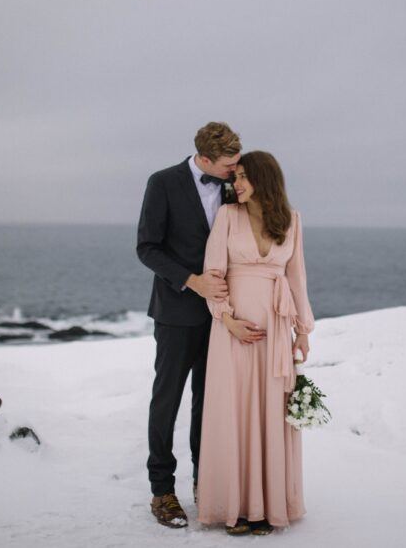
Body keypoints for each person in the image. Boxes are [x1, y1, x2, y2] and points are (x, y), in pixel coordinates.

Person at [196, 150, 315, 536]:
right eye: (236, 176)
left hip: (276, 333)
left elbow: (297, 279)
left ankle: (268, 507)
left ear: (264, 179)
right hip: (233, 332)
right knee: (235, 413)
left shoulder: (292, 221)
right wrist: (228, 320)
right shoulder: (228, 217)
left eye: (244, 176)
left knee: (271, 415)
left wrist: (303, 331)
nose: (237, 183)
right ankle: (238, 507)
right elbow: (213, 274)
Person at [137, 121, 242, 529]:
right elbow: (147, 247)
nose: (236, 170)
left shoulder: (235, 182)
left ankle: (206, 483)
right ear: (203, 159)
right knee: (167, 400)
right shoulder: (162, 183)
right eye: (229, 164)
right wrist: (191, 280)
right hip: (177, 312)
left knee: (209, 403)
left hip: (223, 316)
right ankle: (162, 490)